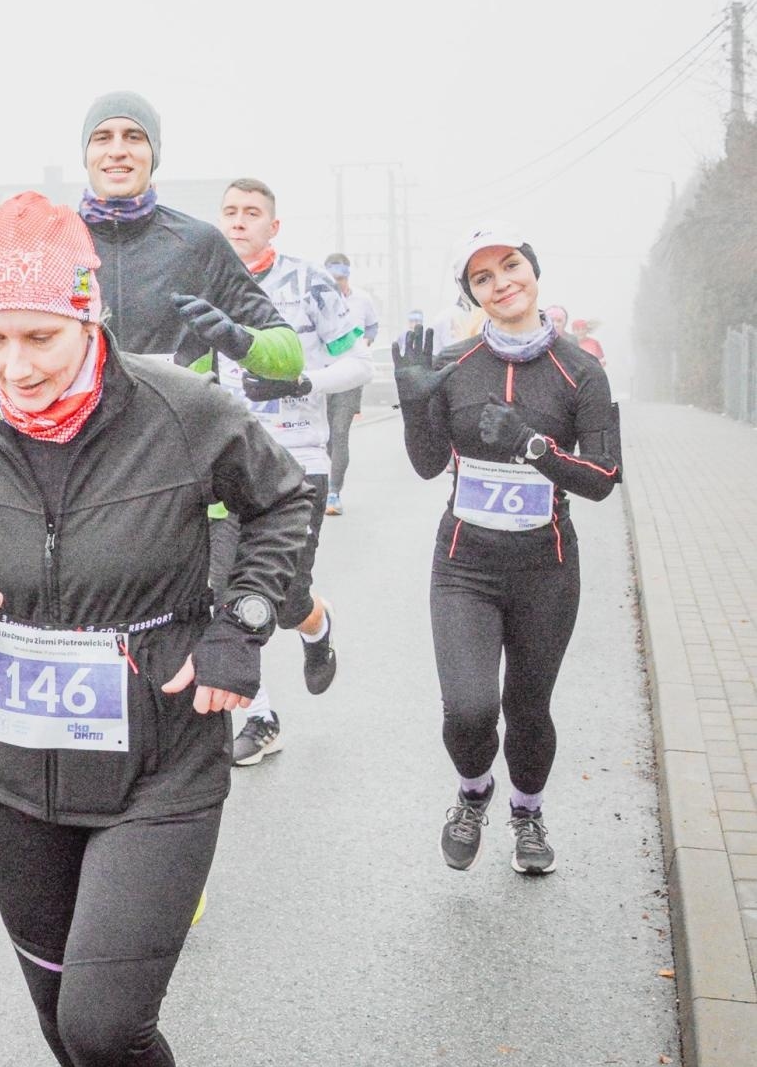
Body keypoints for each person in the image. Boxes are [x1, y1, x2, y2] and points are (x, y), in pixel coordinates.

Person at [0, 193, 313, 1067]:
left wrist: (240, 627)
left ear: (88, 318)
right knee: (53, 1010)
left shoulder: (182, 410)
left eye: (38, 335)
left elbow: (285, 501)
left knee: (102, 1019)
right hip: (14, 769)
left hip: (160, 756)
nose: (14, 363)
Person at [394, 224, 621, 874]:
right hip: (463, 566)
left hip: (545, 570)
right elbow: (426, 463)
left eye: (510, 266)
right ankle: (472, 793)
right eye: (482, 278)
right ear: (471, 294)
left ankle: (526, 812)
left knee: (526, 708)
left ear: (532, 269)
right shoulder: (456, 367)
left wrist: (532, 445)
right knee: (468, 709)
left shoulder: (579, 371)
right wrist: (415, 406)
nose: (501, 283)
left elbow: (603, 479)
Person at [214, 179, 373, 765]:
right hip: (227, 461)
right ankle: (260, 717)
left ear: (272, 226)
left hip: (299, 462)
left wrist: (303, 380)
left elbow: (359, 362)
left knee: (281, 599)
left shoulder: (311, 284)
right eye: (229, 212)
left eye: (251, 213)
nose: (238, 222)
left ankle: (315, 624)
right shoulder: (207, 285)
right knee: (225, 592)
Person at [76, 91, 302, 379]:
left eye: (134, 137)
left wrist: (237, 339)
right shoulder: (53, 243)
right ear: (86, 154)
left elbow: (291, 355)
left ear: (154, 153)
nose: (118, 150)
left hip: (180, 423)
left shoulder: (199, 243)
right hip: (85, 425)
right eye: (102, 137)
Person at [321, 252, 380, 516]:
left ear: (348, 276)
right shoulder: (316, 299)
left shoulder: (362, 300)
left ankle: (333, 492)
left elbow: (373, 327)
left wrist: (367, 343)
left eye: (342, 278)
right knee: (323, 436)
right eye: (334, 279)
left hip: (350, 376)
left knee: (340, 433)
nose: (339, 283)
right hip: (321, 375)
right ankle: (318, 488)